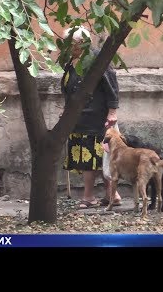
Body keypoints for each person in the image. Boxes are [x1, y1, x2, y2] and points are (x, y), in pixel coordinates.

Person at [60, 26, 122, 209]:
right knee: (98, 157)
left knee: (93, 158)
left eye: (70, 43)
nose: (66, 46)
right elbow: (70, 89)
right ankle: (112, 194)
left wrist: (112, 112)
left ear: (81, 43)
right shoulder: (72, 60)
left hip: (94, 117)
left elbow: (111, 84)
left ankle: (89, 197)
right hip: (78, 117)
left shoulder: (95, 59)